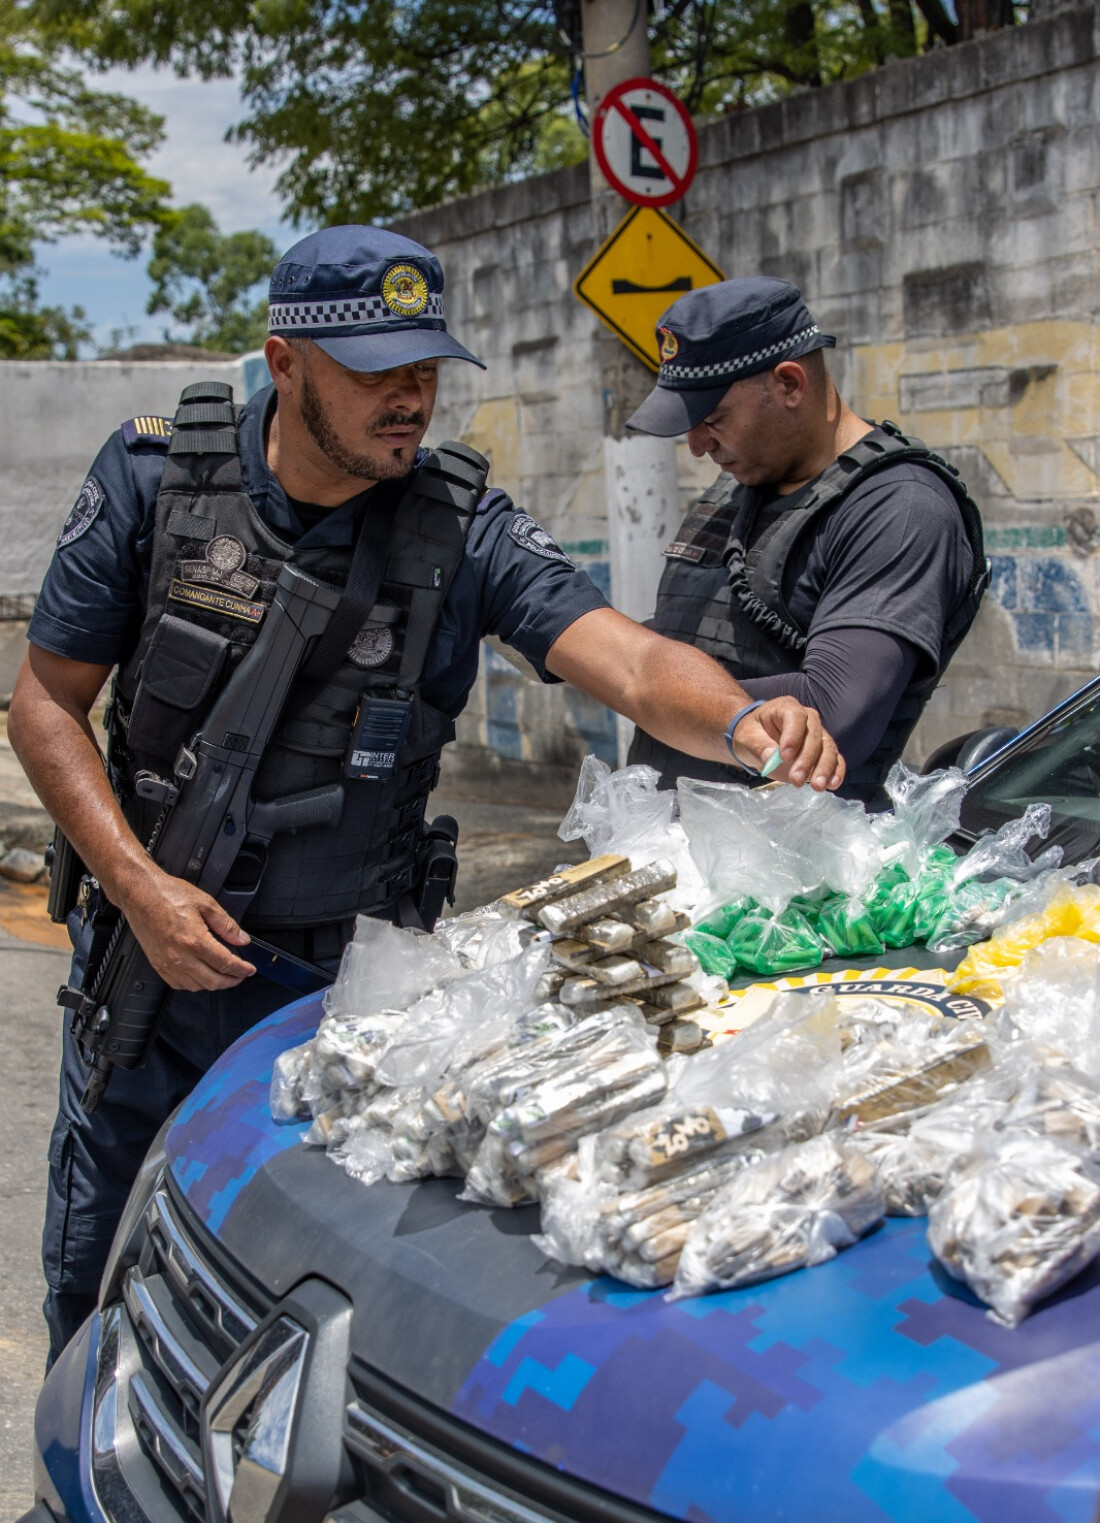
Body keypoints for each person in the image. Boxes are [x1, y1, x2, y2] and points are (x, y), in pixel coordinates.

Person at [9, 227, 844, 1365]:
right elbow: (45, 706)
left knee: (314, 1322)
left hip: (343, 997)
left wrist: (745, 718)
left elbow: (632, 664)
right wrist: (138, 886)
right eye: (375, 372)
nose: (409, 398)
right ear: (286, 362)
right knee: (103, 1298)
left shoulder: (459, 524)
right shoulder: (160, 480)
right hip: (146, 980)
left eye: (424, 369)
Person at [625, 276, 988, 802]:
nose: (697, 447)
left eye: (713, 419)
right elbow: (708, 637)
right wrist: (578, 637)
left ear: (790, 384)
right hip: (676, 849)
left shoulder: (901, 507)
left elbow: (836, 710)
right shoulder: (750, 477)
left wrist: (630, 679)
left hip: (789, 870)